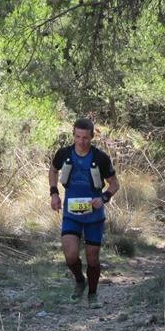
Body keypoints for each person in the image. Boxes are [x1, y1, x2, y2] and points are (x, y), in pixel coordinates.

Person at [49, 118, 119, 309]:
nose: (81, 141)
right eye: (78, 137)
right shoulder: (64, 153)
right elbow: (53, 170)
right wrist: (54, 193)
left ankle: (93, 294)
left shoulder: (101, 158)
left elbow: (115, 184)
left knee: (93, 258)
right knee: (70, 255)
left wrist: (103, 198)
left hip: (94, 215)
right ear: (73, 135)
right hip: (71, 213)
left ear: (92, 136)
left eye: (85, 138)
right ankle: (80, 280)